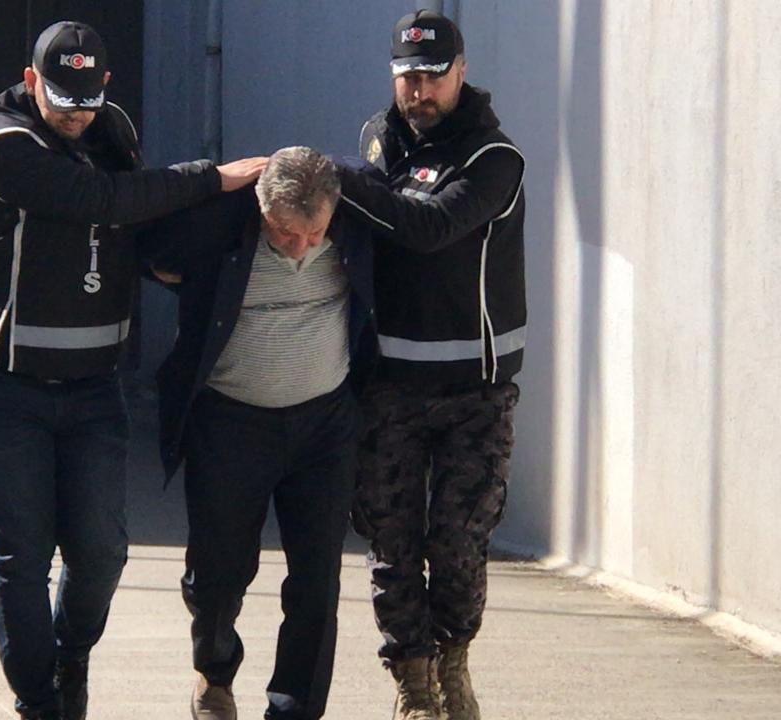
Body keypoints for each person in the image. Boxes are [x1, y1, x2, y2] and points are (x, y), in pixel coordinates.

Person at [0, 20, 265, 720]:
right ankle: (40, 704)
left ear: (105, 86)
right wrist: (211, 178)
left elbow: (128, 225)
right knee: (21, 556)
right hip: (2, 382)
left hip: (93, 383)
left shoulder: (110, 126)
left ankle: (71, 655)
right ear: (30, 81)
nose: (76, 115)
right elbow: (99, 201)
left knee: (101, 553)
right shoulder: (3, 142)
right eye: (62, 101)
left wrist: (164, 264)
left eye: (87, 101)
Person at [334, 10, 527, 720]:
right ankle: (412, 682)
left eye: (434, 76)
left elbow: (431, 227)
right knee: (391, 538)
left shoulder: (494, 158)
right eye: (408, 77)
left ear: (461, 73)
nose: (420, 91)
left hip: (475, 389)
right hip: (390, 383)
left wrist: (343, 181)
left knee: (457, 540)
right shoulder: (378, 142)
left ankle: (453, 660)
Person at [143, 147, 375, 720]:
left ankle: (295, 707)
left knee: (317, 581)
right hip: (231, 423)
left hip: (324, 425)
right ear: (261, 209)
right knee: (218, 575)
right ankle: (214, 672)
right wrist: (200, 196)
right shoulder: (222, 224)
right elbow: (146, 244)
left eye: (313, 234)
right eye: (285, 233)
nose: (300, 247)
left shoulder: (356, 221)